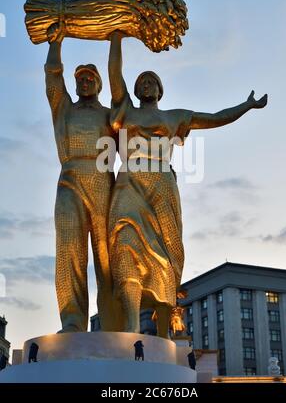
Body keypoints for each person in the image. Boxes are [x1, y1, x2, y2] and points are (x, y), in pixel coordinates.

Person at [108, 31, 268, 338]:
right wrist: (117, 36)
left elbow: (215, 118)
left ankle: (164, 329)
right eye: (141, 81)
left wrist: (245, 106)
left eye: (151, 81)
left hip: (162, 184)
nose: (145, 84)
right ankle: (129, 325)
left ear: (160, 90)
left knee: (169, 252)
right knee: (124, 241)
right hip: (128, 182)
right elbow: (115, 73)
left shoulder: (175, 117)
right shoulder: (125, 109)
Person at [45, 22, 117, 332]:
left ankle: (115, 321)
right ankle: (73, 320)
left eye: (90, 78)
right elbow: (52, 79)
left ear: (99, 84)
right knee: (69, 250)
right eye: (80, 79)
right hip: (70, 180)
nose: (85, 82)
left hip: (103, 182)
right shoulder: (65, 110)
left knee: (108, 257)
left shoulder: (110, 115)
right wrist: (55, 42)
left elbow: (135, 143)